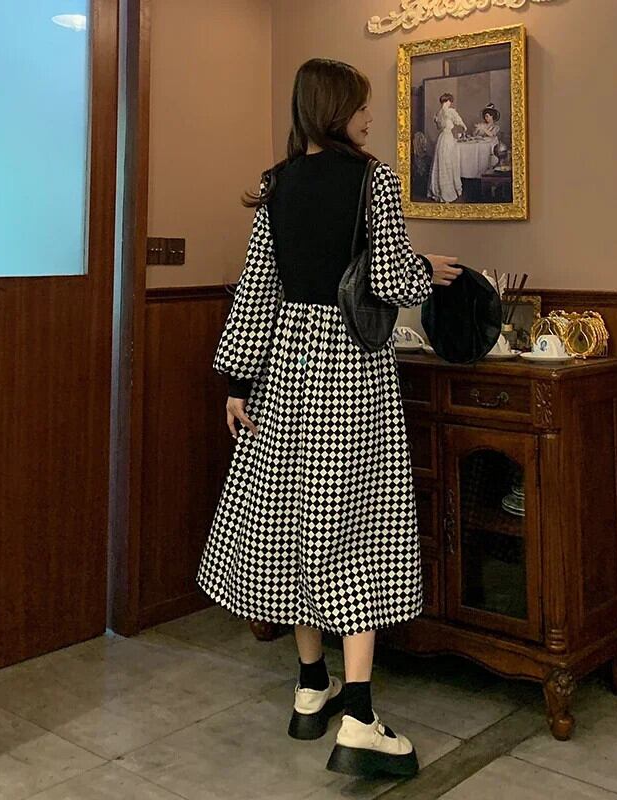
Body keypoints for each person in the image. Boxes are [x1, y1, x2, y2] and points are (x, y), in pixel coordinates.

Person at [195, 58, 462, 779]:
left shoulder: (277, 183)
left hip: (285, 365)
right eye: (363, 106)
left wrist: (237, 382)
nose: (370, 118)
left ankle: (311, 686)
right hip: (350, 368)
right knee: (361, 529)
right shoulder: (372, 178)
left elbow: (255, 290)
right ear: (336, 108)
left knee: (292, 522)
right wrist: (428, 270)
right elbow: (390, 278)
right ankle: (361, 717)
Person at [427, 92, 466, 203]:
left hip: (442, 138)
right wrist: (464, 126)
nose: (450, 103)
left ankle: (439, 189)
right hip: (448, 138)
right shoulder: (450, 111)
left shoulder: (438, 113)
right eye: (450, 101)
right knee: (448, 162)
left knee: (441, 162)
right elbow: (458, 121)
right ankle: (447, 191)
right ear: (448, 101)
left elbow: (439, 127)